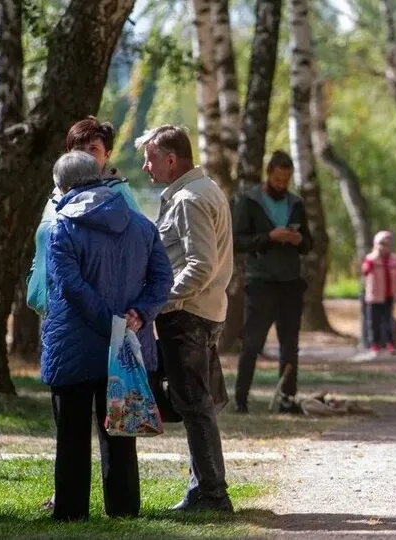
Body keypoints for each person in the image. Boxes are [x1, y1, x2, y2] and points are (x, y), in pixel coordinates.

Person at [41, 151, 172, 522]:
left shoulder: (61, 226)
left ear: (63, 186)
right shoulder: (139, 223)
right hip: (127, 344)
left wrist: (108, 320)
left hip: (75, 343)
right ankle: (124, 508)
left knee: (72, 432)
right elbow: (163, 278)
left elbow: (69, 286)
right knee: (120, 427)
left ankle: (70, 511)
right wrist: (138, 314)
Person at [136, 125, 235, 512]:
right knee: (198, 405)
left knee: (194, 406)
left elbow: (200, 265)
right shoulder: (203, 189)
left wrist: (158, 299)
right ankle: (202, 489)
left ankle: (212, 494)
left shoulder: (189, 199)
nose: (146, 166)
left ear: (171, 159)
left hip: (188, 315)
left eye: (151, 158)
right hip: (203, 312)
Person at [28, 117, 141, 316]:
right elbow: (44, 239)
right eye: (79, 148)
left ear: (107, 155)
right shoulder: (57, 194)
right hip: (52, 309)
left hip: (91, 313)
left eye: (93, 149)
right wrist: (35, 284)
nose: (86, 155)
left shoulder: (118, 195)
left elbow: (138, 250)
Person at [232, 151, 313, 415]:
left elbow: (310, 243)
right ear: (269, 174)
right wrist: (269, 237)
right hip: (261, 282)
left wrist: (299, 241)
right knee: (252, 342)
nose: (281, 184)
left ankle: (287, 399)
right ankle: (241, 399)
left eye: (286, 180)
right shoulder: (250, 201)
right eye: (277, 179)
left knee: (290, 344)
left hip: (290, 282)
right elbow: (238, 241)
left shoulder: (296, 203)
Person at [362, 231, 396, 355]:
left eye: (388, 244)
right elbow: (365, 271)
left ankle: (391, 345)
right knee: (374, 322)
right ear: (376, 244)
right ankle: (375, 345)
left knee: (391, 321)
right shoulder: (371, 258)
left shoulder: (393, 260)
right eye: (382, 243)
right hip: (375, 296)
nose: (384, 246)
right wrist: (372, 261)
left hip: (391, 296)